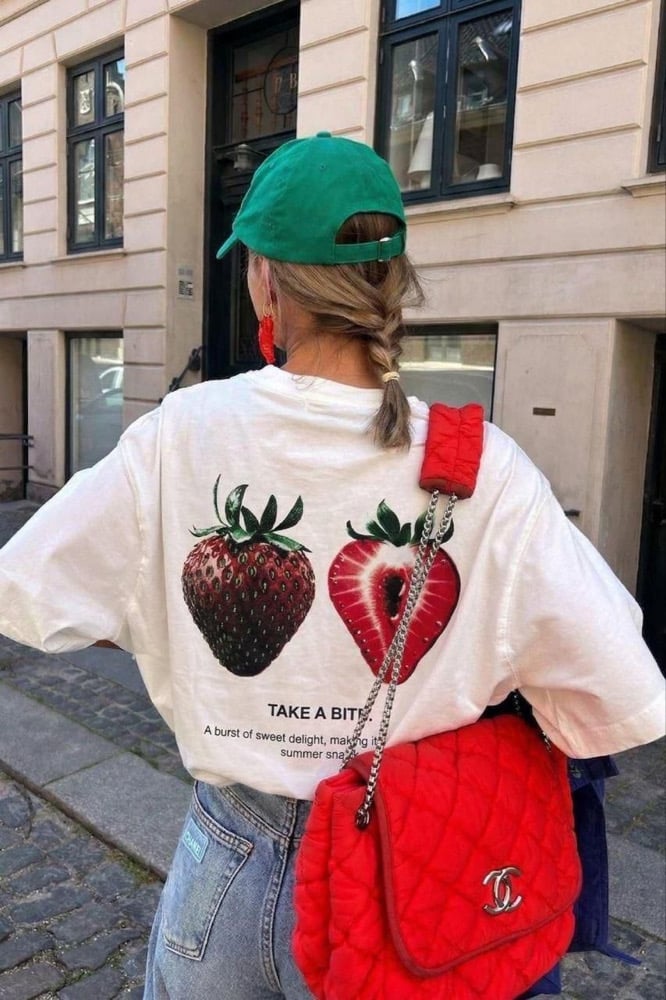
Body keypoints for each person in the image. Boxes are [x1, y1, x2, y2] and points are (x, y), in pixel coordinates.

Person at [0, 132, 663, 1000]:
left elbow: (26, 591)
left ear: (265, 281)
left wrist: (161, 628)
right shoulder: (484, 466)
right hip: (411, 875)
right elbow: (618, 693)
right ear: (394, 281)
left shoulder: (182, 434)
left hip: (230, 865)